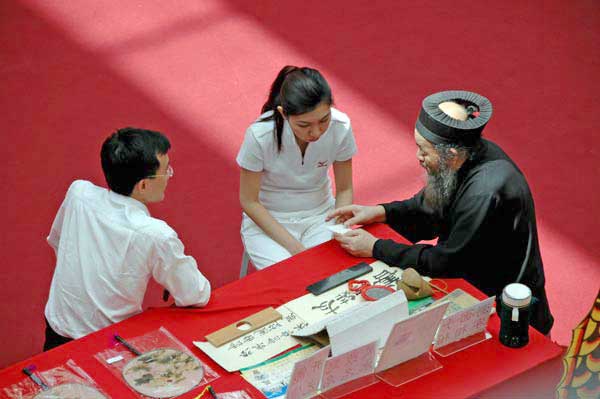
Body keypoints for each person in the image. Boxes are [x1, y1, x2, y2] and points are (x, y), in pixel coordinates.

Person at [328, 90, 554, 334]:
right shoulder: (468, 153)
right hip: (476, 284)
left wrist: (375, 247)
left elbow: (447, 262)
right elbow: (428, 209)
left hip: (508, 312)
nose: (418, 157)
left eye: (424, 150)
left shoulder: (485, 191)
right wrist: (381, 212)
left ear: (452, 155)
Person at [43, 127, 211, 350]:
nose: (169, 175)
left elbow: (58, 241)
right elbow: (195, 294)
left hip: (57, 328)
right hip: (109, 343)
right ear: (143, 184)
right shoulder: (156, 234)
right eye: (166, 171)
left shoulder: (79, 193)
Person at [237, 66, 356, 270]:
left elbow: (344, 189)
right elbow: (249, 201)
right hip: (270, 221)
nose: (316, 132)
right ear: (284, 114)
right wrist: (297, 250)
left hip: (321, 215)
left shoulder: (341, 126)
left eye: (323, 120)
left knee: (332, 273)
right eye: (304, 125)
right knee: (293, 277)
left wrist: (339, 227)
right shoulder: (259, 136)